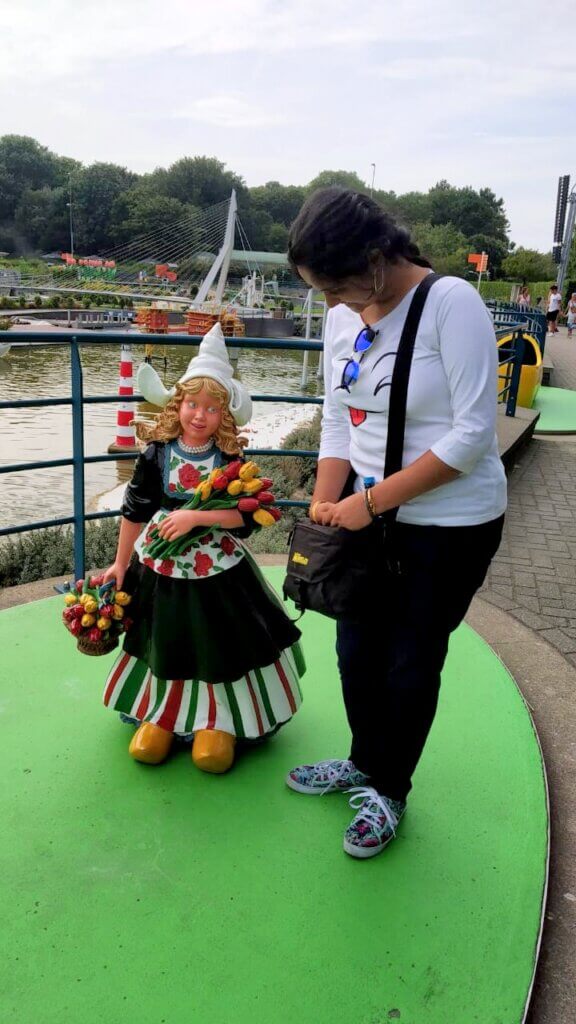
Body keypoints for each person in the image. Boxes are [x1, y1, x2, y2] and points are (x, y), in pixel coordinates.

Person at [285, 187, 506, 860]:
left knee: (409, 664)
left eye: (338, 286)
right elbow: (336, 417)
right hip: (364, 514)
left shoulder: (451, 304)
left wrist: (371, 502)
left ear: (377, 261)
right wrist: (329, 505)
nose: (332, 304)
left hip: (448, 524)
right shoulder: (341, 319)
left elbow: (472, 436)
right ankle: (362, 758)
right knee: (355, 653)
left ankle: (389, 789)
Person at [102, 324, 304, 772]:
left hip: (218, 568)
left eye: (212, 408)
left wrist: (196, 516)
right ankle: (163, 715)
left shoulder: (230, 460)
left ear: (225, 415)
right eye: (193, 404)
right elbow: (135, 509)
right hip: (161, 566)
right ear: (178, 405)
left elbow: (246, 517)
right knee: (163, 637)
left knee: (219, 640)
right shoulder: (157, 454)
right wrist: (120, 564)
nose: (199, 415)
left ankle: (219, 721)